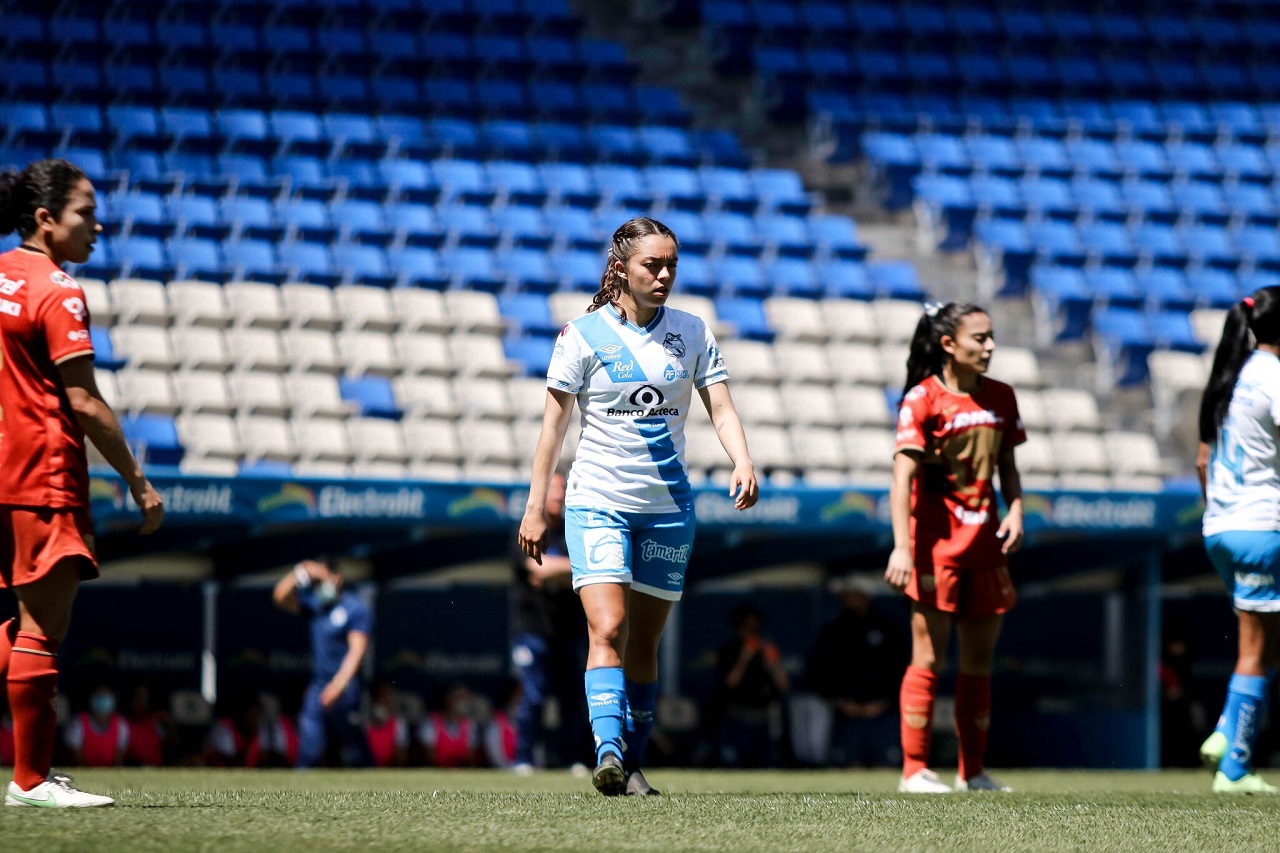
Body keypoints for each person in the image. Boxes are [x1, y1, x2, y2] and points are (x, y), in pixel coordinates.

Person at [518, 216, 758, 796]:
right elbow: (552, 429)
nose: (666, 274)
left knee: (645, 646)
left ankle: (632, 762)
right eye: (654, 264)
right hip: (598, 500)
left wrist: (742, 460)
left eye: (672, 263)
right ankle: (606, 750)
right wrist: (534, 507)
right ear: (621, 267)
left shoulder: (693, 331)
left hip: (669, 506)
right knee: (611, 626)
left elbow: (720, 408)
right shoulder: (581, 335)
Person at [0, 159, 164, 808]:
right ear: (46, 220)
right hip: (42, 473)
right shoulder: (59, 290)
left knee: (18, 627)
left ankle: (30, 774)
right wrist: (138, 481)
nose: (99, 226)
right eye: (86, 214)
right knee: (43, 629)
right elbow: (86, 403)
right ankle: (32, 780)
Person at [884, 301, 1025, 794]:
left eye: (991, 337)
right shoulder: (922, 399)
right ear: (948, 344)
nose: (989, 346)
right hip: (934, 548)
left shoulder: (1002, 397)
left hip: (985, 543)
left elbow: (1007, 463)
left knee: (978, 663)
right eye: (979, 338)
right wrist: (902, 548)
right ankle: (915, 771)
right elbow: (901, 479)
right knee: (928, 657)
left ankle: (974, 773)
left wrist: (1017, 508)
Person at [1194, 287, 1280, 794]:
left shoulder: (1229, 378)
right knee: (1254, 650)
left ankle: (1228, 729)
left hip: (1222, 527)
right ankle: (1234, 767)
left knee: (1268, 644)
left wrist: (1221, 510)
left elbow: (1203, 460)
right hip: (1261, 527)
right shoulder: (1273, 377)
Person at [510, 468, 591, 774]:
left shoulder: (575, 529)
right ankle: (523, 759)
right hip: (532, 631)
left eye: (564, 490)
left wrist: (554, 571)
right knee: (532, 697)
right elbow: (536, 571)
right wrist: (568, 570)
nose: (561, 495)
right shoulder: (527, 529)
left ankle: (574, 759)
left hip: (567, 631)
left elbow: (585, 565)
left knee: (572, 699)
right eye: (556, 489)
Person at [272, 558, 373, 768]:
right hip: (319, 685)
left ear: (337, 578)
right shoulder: (316, 605)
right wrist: (301, 572)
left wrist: (339, 684)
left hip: (345, 687)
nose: (320, 588)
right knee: (309, 746)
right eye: (316, 584)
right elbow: (280, 596)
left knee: (354, 749)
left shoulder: (355, 608)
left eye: (323, 581)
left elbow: (357, 649)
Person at [806, 576, 908, 767]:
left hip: (884, 715)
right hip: (846, 716)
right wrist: (839, 701)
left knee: (886, 767)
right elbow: (818, 671)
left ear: (865, 596)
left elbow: (901, 669)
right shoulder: (833, 631)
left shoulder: (889, 629)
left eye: (854, 594)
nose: (849, 599)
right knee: (846, 768)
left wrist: (885, 701)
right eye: (846, 595)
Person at [711, 604, 789, 768]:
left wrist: (773, 662)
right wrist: (745, 657)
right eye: (747, 627)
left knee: (767, 759)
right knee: (737, 759)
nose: (751, 632)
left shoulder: (767, 650)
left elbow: (784, 686)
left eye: (755, 628)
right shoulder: (729, 650)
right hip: (739, 713)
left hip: (765, 714)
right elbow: (729, 683)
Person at [64, 683, 128, 767]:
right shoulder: (78, 723)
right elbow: (77, 761)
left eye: (105, 696)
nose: (102, 700)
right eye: (99, 696)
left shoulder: (121, 725)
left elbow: (119, 762)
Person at [418, 684, 480, 768]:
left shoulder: (470, 725)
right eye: (461, 699)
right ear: (449, 700)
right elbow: (430, 759)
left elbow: (471, 759)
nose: (465, 703)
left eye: (467, 699)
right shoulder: (430, 723)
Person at [123, 684, 173, 767]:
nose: (142, 702)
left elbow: (172, 743)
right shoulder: (122, 723)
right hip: (134, 770)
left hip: (156, 769)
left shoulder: (155, 722)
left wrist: (169, 723)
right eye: (138, 698)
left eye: (145, 699)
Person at [364, 680, 409, 768]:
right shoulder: (364, 721)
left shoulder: (399, 723)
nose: (387, 701)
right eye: (383, 697)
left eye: (389, 697)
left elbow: (401, 757)